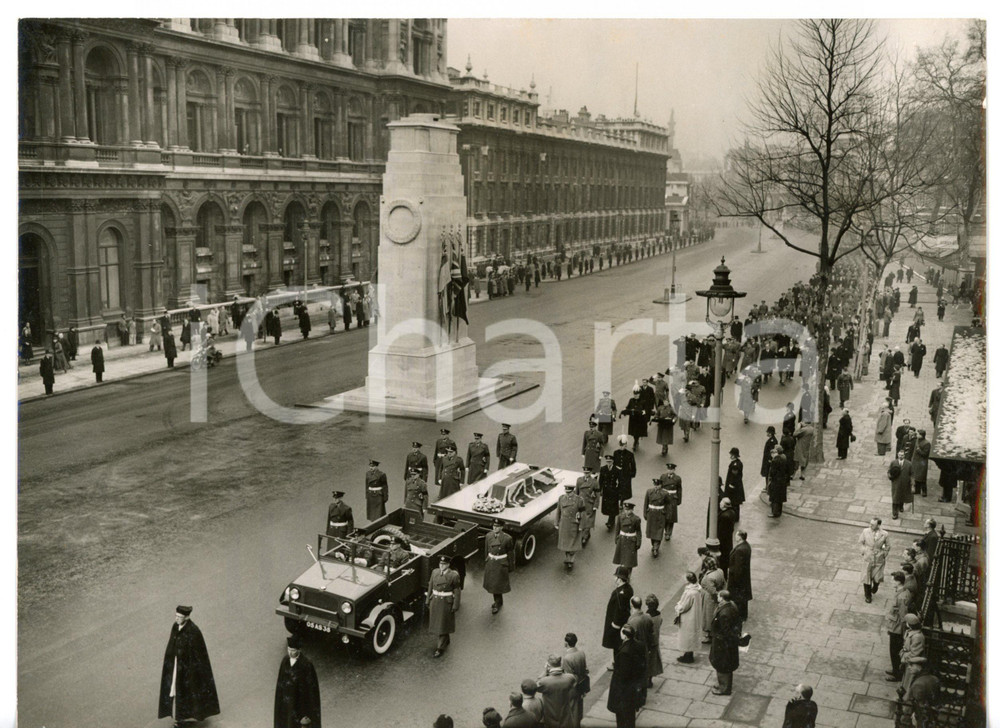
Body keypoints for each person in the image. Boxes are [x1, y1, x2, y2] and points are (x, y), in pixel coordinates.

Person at [157, 605, 221, 725]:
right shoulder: (175, 626)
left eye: (179, 617)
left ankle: (185, 717)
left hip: (188, 670)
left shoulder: (194, 631)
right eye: (176, 616)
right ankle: (179, 716)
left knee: (188, 691)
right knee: (175, 689)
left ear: (186, 617)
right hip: (176, 665)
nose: (176, 619)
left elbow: (199, 655)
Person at [273, 634, 321, 728]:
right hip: (286, 705)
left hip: (299, 707)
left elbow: (311, 692)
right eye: (289, 649)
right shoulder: (285, 661)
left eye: (293, 650)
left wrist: (307, 714)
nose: (290, 652)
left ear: (299, 650)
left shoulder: (306, 665)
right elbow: (280, 685)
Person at [607, 624, 646, 728]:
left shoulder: (625, 652)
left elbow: (624, 674)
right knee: (630, 716)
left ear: (625, 636)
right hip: (634, 687)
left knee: (622, 717)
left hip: (625, 691)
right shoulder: (639, 645)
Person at [426, 554, 461, 657]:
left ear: (448, 565)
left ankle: (440, 648)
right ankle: (446, 638)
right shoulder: (435, 572)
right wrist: (428, 599)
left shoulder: (453, 575)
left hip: (446, 602)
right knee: (440, 623)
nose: (442, 566)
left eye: (444, 564)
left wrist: (455, 605)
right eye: (440, 564)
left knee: (442, 623)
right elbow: (430, 586)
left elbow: (457, 591)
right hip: (435, 601)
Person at [709, 590, 741, 696]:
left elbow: (726, 631)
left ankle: (724, 688)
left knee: (722, 665)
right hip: (727, 643)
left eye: (718, 596)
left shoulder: (724, 613)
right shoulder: (731, 605)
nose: (717, 597)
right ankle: (723, 685)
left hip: (722, 644)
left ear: (722, 598)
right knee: (725, 665)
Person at [535, 654, 578, 728]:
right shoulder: (569, 678)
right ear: (560, 664)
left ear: (548, 665)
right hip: (565, 716)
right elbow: (573, 680)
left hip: (550, 716)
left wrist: (545, 672)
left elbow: (535, 686)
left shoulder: (544, 682)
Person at [885, 571, 912, 681]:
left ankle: (897, 673)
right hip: (894, 625)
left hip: (897, 627)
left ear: (898, 582)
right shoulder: (902, 592)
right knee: (894, 650)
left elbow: (903, 615)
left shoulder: (901, 596)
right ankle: (895, 669)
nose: (891, 582)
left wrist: (902, 631)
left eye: (893, 580)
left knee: (894, 650)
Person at [483, 520, 515, 613]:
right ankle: (498, 601)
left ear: (501, 527)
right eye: (494, 526)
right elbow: (486, 550)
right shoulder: (489, 536)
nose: (495, 528)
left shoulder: (507, 538)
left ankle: (497, 603)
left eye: (497, 526)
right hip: (491, 562)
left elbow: (510, 553)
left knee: (497, 585)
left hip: (500, 563)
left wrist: (510, 566)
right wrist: (486, 560)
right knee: (493, 584)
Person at [602, 567, 634, 657]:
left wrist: (614, 625)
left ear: (619, 579)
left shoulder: (620, 594)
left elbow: (619, 610)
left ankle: (617, 664)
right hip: (623, 622)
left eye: (616, 576)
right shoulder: (628, 589)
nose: (614, 578)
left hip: (616, 625)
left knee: (616, 645)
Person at [555, 482, 586, 570]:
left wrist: (581, 525)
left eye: (569, 492)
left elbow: (582, 513)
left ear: (573, 491)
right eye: (566, 492)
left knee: (573, 544)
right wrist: (556, 522)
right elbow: (558, 511)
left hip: (573, 524)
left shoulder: (579, 500)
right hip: (564, 524)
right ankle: (567, 557)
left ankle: (570, 561)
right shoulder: (561, 498)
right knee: (565, 544)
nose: (568, 494)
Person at [674, 572, 703, 664]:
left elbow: (684, 606)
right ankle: (688, 654)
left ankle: (688, 656)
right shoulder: (696, 590)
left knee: (687, 636)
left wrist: (677, 607)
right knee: (691, 636)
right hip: (694, 616)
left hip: (688, 618)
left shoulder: (690, 593)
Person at [859, 518, 890, 603]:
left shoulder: (885, 534)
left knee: (877, 577)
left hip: (879, 557)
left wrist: (884, 553)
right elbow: (861, 542)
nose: (870, 525)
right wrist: (863, 551)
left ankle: (876, 586)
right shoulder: (865, 531)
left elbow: (887, 546)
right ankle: (868, 595)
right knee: (866, 576)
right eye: (870, 523)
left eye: (873, 524)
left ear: (878, 525)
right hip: (868, 556)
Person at [561, 633, 589, 725]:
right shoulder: (581, 653)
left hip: (573, 687)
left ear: (566, 643)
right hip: (582, 683)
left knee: (572, 710)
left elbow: (568, 677)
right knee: (579, 707)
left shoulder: (567, 658)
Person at [699, 556, 725, 644]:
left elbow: (712, 591)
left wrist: (716, 598)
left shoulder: (709, 577)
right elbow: (724, 583)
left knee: (708, 616)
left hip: (709, 598)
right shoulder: (720, 571)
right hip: (717, 595)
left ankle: (709, 635)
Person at [613, 502, 642, 570]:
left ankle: (628, 575)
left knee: (629, 561)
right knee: (622, 559)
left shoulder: (636, 519)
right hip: (622, 539)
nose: (627, 511)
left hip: (631, 541)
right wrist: (616, 538)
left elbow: (638, 531)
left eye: (629, 510)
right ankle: (623, 575)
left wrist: (638, 542)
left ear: (632, 510)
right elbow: (617, 529)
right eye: (625, 509)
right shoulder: (620, 517)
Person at [619, 385, 648, 452]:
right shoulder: (631, 400)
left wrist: (642, 413)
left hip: (640, 419)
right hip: (633, 419)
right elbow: (628, 407)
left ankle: (635, 442)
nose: (636, 396)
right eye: (635, 394)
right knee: (633, 432)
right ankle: (636, 440)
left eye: (637, 394)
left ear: (639, 394)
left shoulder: (643, 401)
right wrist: (624, 411)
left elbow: (645, 410)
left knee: (637, 432)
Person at [576, 467, 600, 547]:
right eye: (585, 472)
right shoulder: (579, 480)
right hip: (581, 503)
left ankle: (584, 537)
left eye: (587, 472)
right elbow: (577, 493)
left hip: (590, 504)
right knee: (581, 520)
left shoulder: (594, 482)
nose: (586, 474)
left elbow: (597, 495)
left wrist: (596, 505)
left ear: (590, 473)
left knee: (588, 520)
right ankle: (586, 534)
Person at [612, 436, 636, 504]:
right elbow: (614, 463)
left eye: (625, 446)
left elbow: (633, 465)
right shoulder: (616, 453)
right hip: (617, 473)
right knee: (618, 487)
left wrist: (632, 474)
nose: (623, 447)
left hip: (626, 474)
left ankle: (622, 501)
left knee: (624, 488)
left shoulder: (630, 454)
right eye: (622, 446)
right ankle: (618, 500)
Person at [767, 446, 790, 519]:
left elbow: (772, 472)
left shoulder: (775, 460)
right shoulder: (784, 458)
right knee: (780, 498)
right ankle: (779, 511)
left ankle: (775, 512)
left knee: (774, 497)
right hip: (782, 481)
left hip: (776, 481)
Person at [888, 451, 913, 520]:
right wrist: (890, 477)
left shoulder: (909, 464)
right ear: (897, 455)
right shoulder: (893, 463)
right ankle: (895, 513)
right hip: (896, 484)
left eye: (902, 455)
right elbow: (889, 471)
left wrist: (912, 484)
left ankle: (901, 506)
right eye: (899, 455)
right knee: (895, 498)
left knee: (902, 496)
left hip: (905, 484)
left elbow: (911, 474)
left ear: (904, 456)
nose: (900, 456)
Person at [599, 454, 621, 530]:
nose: (609, 463)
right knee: (608, 506)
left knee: (613, 506)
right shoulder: (603, 469)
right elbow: (600, 481)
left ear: (613, 461)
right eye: (607, 461)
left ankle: (610, 522)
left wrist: (618, 490)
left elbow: (620, 482)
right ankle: (611, 520)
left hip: (614, 490)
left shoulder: (617, 470)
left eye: (610, 461)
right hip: (606, 491)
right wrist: (599, 490)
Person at [723, 448, 745, 520]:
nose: (730, 456)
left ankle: (735, 517)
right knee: (735, 502)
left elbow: (734, 476)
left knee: (734, 502)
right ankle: (736, 516)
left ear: (734, 455)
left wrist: (731, 484)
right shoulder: (738, 463)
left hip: (734, 487)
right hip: (737, 486)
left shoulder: (735, 464)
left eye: (731, 454)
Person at [717, 498, 737, 574]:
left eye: (721, 502)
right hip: (728, 541)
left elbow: (721, 532)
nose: (719, 504)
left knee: (723, 562)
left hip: (723, 544)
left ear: (725, 505)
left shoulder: (724, 516)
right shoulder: (731, 512)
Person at [911, 430, 930, 497]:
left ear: (922, 435)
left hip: (922, 463)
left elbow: (925, 454)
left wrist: (919, 450)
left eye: (918, 434)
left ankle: (924, 491)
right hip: (916, 461)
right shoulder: (917, 440)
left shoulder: (927, 443)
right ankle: (917, 490)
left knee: (922, 478)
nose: (917, 435)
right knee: (916, 477)